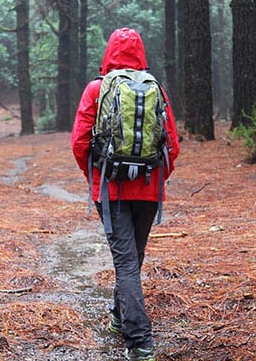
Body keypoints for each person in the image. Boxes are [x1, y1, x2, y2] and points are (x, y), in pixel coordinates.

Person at [71, 27, 180, 361]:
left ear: (109, 53)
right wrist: (155, 178)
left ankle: (140, 340)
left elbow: (79, 142)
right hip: (148, 190)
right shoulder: (154, 88)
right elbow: (172, 146)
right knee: (134, 259)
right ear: (141, 53)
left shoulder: (97, 89)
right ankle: (120, 316)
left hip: (111, 189)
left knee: (126, 262)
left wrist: (96, 177)